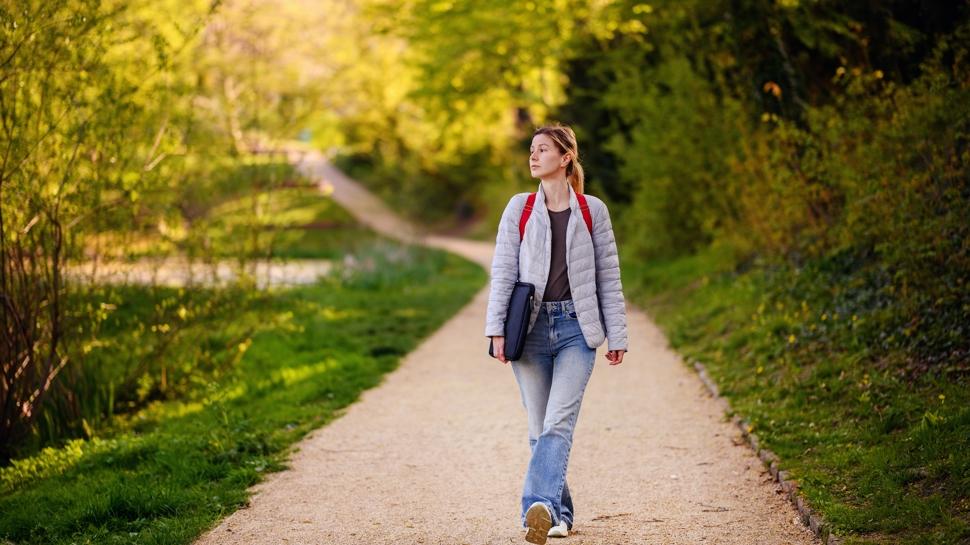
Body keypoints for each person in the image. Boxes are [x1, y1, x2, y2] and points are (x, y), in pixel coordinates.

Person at [485, 122, 628, 544]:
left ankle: (538, 506)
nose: (533, 156)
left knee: (558, 424)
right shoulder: (520, 208)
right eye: (531, 149)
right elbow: (503, 271)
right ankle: (558, 514)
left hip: (575, 330)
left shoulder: (592, 211)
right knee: (538, 428)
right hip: (528, 330)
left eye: (543, 149)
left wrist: (616, 334)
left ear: (565, 158)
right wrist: (495, 330)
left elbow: (609, 277)